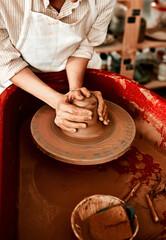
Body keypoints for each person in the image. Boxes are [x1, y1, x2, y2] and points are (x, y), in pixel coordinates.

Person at [0, 0, 115, 133]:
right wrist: (55, 101)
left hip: (74, 72)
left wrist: (75, 94)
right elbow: (5, 60)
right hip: (20, 78)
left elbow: (84, 45)